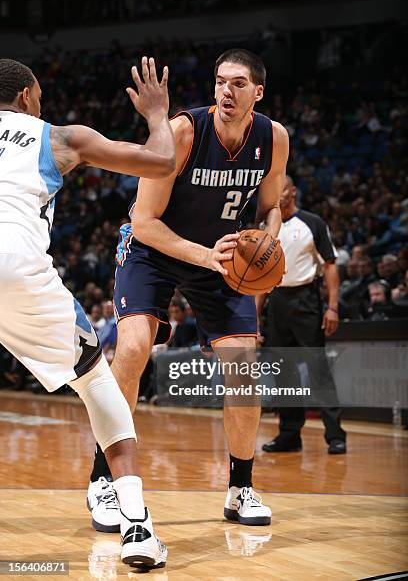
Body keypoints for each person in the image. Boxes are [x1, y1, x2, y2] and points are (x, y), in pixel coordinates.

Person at [88, 49, 289, 529]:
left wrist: (264, 243)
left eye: (238, 84)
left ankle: (241, 487)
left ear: (257, 93)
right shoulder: (184, 131)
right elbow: (143, 221)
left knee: (243, 367)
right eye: (221, 82)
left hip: (221, 256)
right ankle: (105, 481)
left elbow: (271, 208)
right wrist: (205, 256)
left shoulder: (273, 137)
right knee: (133, 348)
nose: (226, 91)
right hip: (155, 250)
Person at [0, 57, 175, 568]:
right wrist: (158, 115)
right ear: (30, 97)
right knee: (97, 382)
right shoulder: (58, 137)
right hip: (15, 269)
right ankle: (138, 528)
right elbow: (161, 162)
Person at [259, 176, 347, 455]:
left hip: (306, 299)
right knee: (284, 374)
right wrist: (254, 318)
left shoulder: (313, 223)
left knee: (317, 368)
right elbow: (259, 278)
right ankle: (289, 435)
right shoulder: (265, 227)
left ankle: (335, 435)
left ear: (293, 191)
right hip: (277, 301)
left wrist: (332, 306)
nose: (277, 195)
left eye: (281, 189)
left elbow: (330, 267)